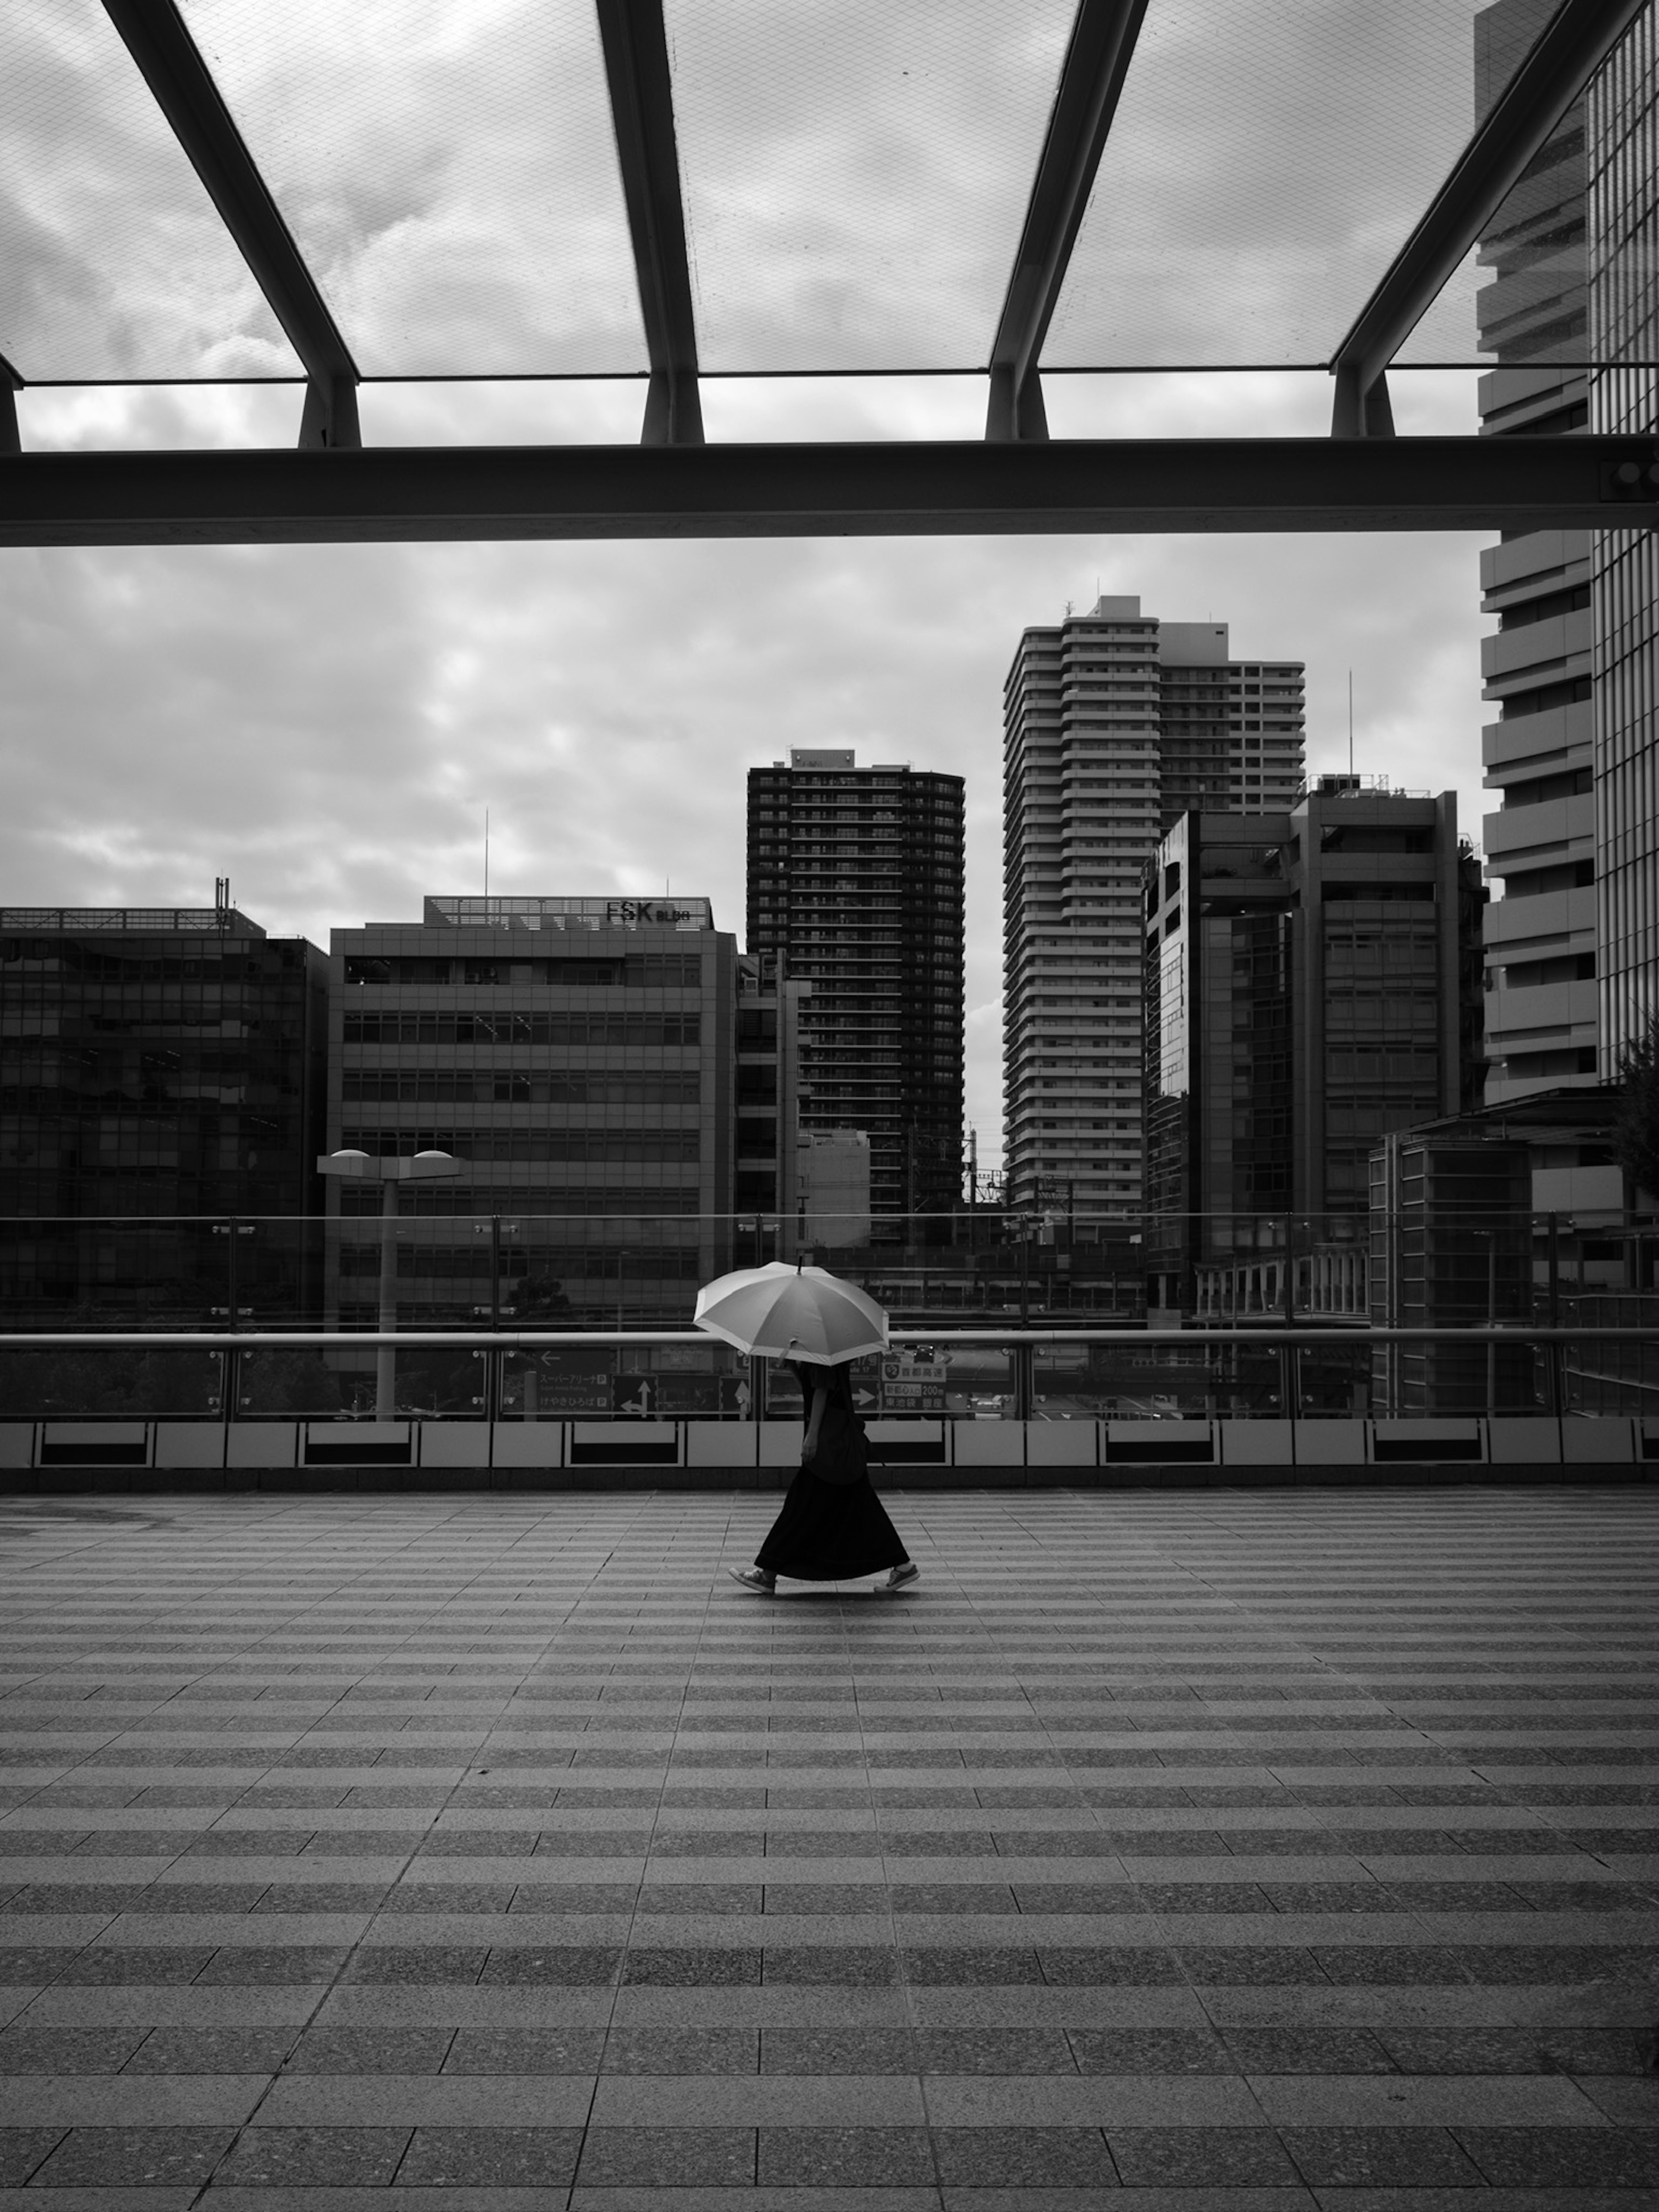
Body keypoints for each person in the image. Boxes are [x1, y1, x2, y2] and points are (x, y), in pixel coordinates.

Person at [728, 1357, 918, 1594]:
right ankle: (903, 1565)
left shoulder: (821, 1352)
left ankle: (767, 1574)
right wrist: (793, 1366)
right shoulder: (823, 1350)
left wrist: (813, 1436)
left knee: (800, 1507)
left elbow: (822, 1391)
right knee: (861, 1506)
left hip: (830, 1445)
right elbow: (813, 1387)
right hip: (838, 1445)